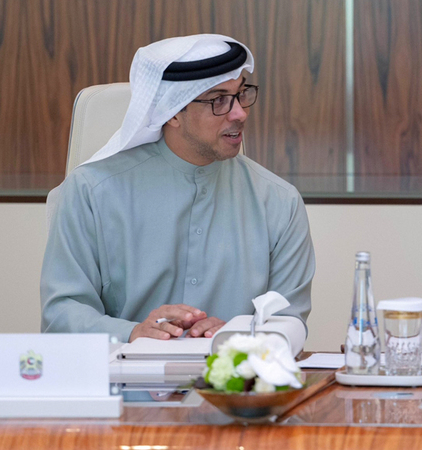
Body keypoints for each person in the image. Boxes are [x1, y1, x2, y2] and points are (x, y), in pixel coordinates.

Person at [41, 34, 315, 344]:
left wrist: (237, 334)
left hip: (234, 374)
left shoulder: (279, 202)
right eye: (218, 100)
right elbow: (61, 316)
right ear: (171, 111)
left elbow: (289, 320)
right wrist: (132, 333)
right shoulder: (92, 191)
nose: (240, 113)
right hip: (124, 373)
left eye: (241, 94)